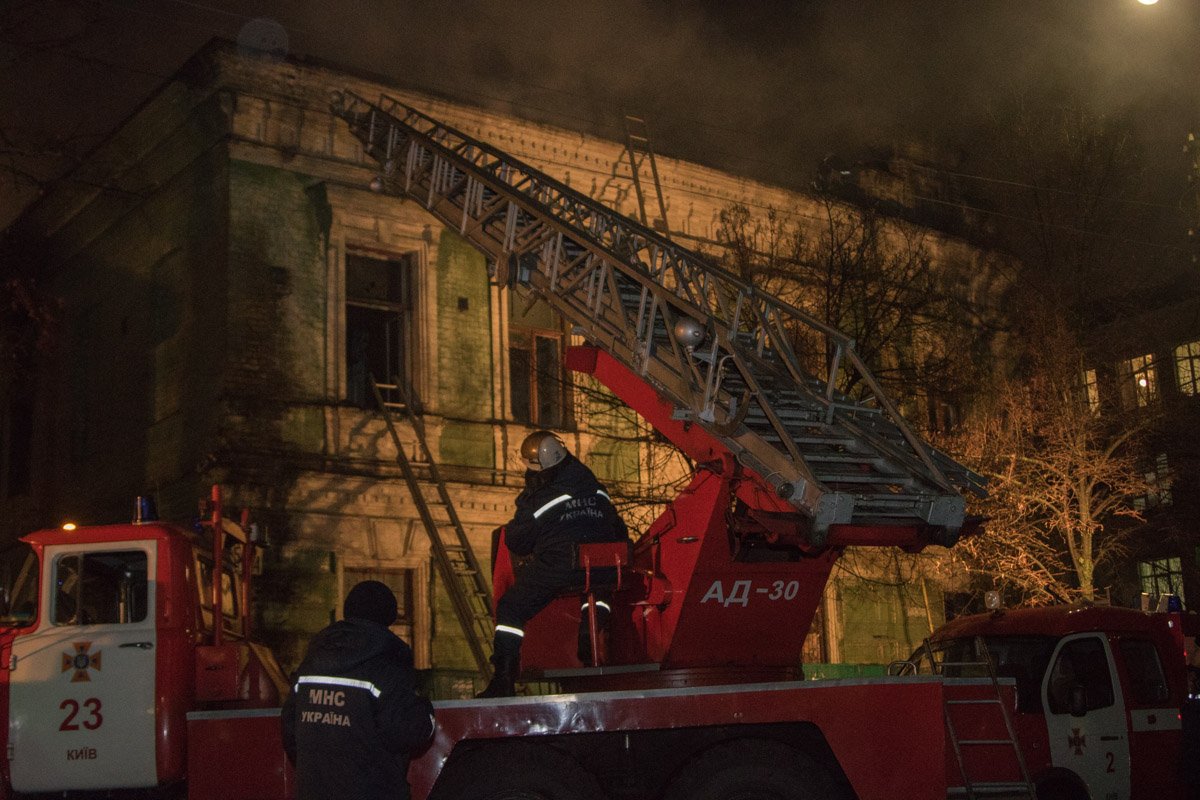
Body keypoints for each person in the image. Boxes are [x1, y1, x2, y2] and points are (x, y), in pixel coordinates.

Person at [476, 431, 629, 698]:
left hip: (562, 564)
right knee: (594, 584)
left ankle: (504, 678)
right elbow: (616, 527)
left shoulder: (541, 496)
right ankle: (591, 626)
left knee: (511, 608)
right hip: (605, 565)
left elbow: (518, 540)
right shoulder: (594, 486)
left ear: (538, 468)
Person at [281, 580, 435, 800]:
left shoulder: (311, 663)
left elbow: (290, 733)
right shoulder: (385, 667)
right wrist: (426, 710)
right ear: (388, 617)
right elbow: (409, 731)